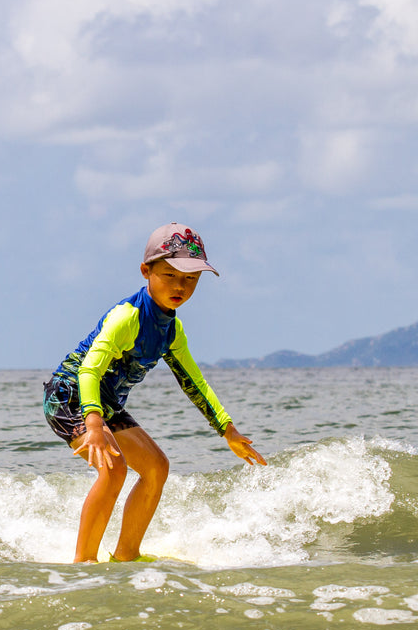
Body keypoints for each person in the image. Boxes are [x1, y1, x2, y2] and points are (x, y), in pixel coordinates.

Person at [43, 223, 266, 563]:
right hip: (70, 396)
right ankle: (83, 563)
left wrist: (227, 429)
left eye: (191, 279)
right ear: (146, 271)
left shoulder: (171, 331)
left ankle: (125, 556)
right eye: (170, 275)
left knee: (157, 467)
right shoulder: (127, 317)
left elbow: (195, 382)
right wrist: (92, 424)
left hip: (104, 404)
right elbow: (89, 370)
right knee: (114, 470)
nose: (180, 286)